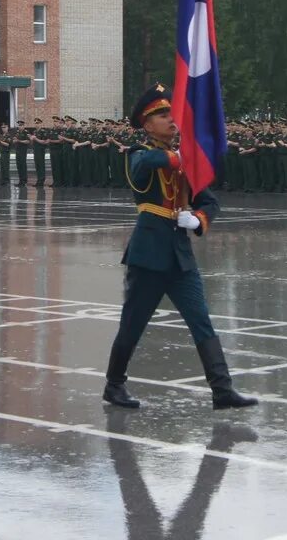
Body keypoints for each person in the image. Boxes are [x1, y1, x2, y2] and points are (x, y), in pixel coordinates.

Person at [102, 83, 257, 411]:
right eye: (162, 115)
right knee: (133, 323)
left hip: (179, 256)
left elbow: (209, 200)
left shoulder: (184, 160)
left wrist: (198, 219)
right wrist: (180, 157)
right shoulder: (139, 154)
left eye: (172, 113)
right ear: (147, 125)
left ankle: (222, 389)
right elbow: (145, 166)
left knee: (201, 319)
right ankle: (114, 385)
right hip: (149, 255)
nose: (172, 120)